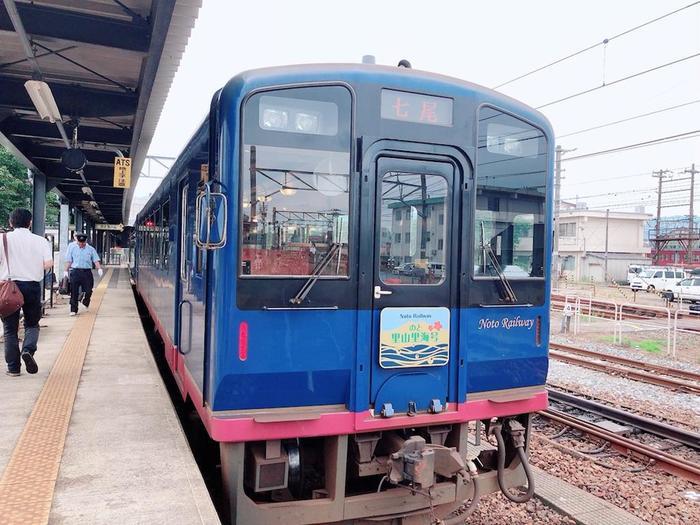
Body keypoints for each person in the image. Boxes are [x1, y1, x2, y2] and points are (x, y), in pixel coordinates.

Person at [0, 208, 54, 376]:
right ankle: (28, 350)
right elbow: (49, 263)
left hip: (9, 287)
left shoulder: (2, 239)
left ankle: (13, 368)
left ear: (10, 223)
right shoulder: (40, 241)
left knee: (10, 329)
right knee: (32, 324)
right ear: (30, 223)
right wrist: (33, 267)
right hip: (31, 286)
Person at [64, 233, 103, 316]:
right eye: (80, 243)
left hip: (87, 272)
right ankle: (73, 309)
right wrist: (65, 271)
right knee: (74, 291)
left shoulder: (91, 249)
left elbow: (95, 260)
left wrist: (99, 268)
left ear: (86, 241)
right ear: (77, 241)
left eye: (83, 243)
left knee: (89, 290)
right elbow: (69, 261)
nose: (81, 244)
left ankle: (85, 300)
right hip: (75, 272)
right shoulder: (72, 248)